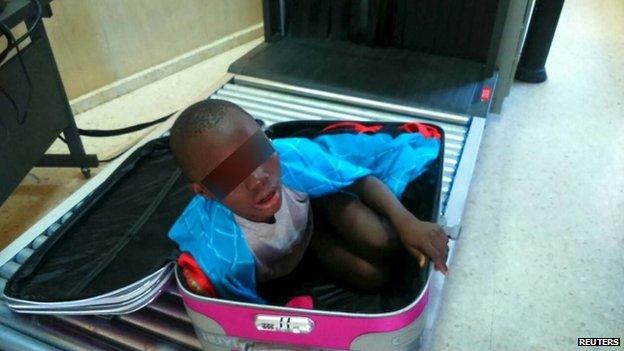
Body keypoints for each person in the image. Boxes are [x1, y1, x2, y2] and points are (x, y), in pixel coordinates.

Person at [168, 99, 448, 301]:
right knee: (375, 277)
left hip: (314, 213)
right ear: (204, 192)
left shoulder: (290, 157)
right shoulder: (220, 250)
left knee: (383, 240)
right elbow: (243, 312)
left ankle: (324, 211)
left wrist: (408, 222)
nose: (258, 179)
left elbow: (361, 179)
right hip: (297, 257)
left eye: (257, 150)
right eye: (230, 175)